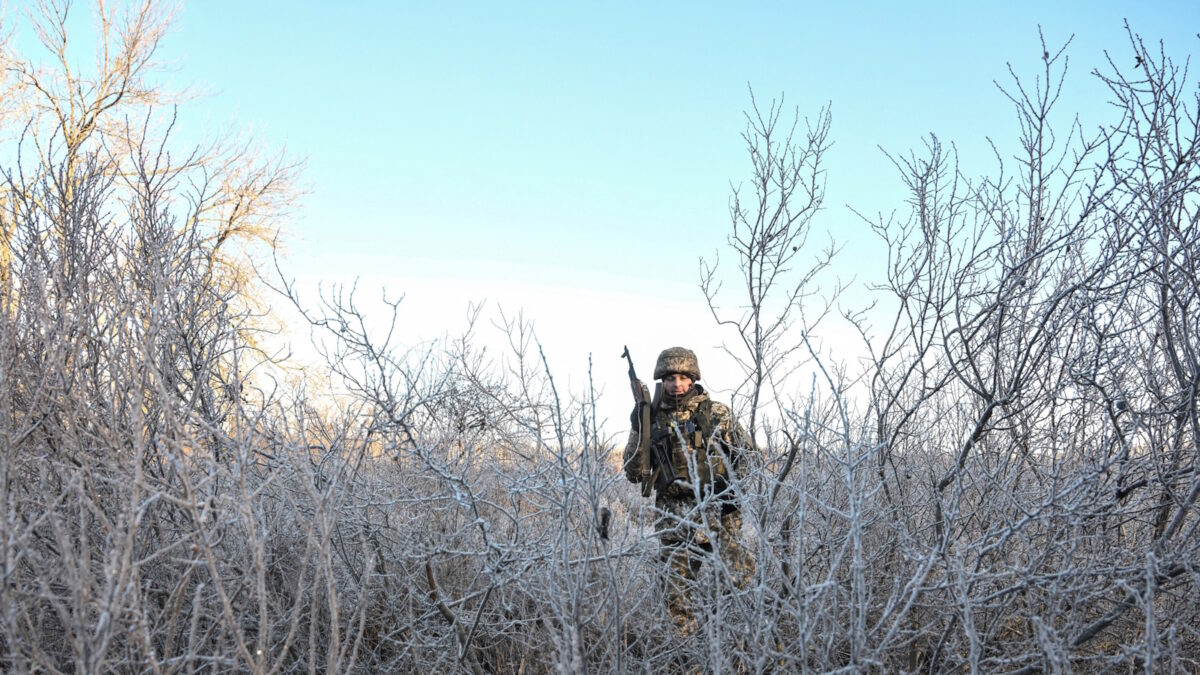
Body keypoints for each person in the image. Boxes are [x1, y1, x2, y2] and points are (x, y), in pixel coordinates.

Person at [623, 347, 757, 636]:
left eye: (683, 377)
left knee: (741, 589)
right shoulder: (650, 416)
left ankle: (740, 650)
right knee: (677, 601)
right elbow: (633, 474)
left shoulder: (717, 412)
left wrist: (731, 488)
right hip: (675, 525)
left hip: (721, 519)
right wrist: (640, 427)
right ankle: (691, 657)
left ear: (693, 378)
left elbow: (749, 457)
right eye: (671, 378)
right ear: (662, 379)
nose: (677, 384)